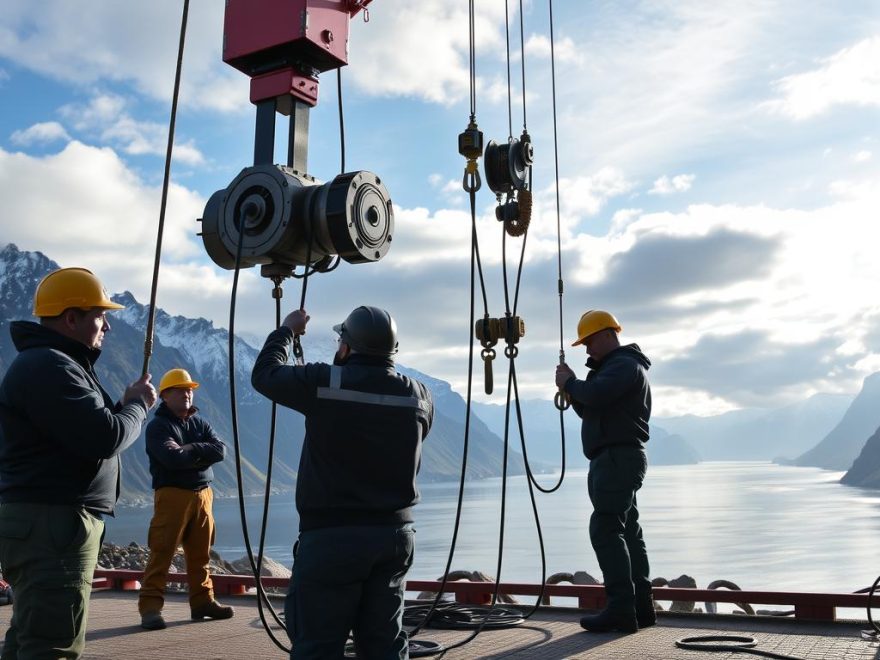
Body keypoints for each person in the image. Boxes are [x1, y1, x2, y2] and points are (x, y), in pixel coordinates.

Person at [251, 305, 433, 660]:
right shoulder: (420, 395)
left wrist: (287, 330)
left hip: (332, 538)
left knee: (318, 646)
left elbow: (265, 374)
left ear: (346, 348)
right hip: (395, 538)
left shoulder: (325, 382)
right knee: (385, 645)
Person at [0, 267, 157, 659]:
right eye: (99, 316)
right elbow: (105, 437)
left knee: (29, 637)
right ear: (71, 318)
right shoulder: (51, 367)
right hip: (55, 527)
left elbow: (88, 432)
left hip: (46, 523)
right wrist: (137, 405)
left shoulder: (50, 364)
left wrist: (124, 408)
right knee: (53, 645)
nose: (107, 327)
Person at [555, 309, 654, 634]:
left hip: (616, 459)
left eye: (590, 341)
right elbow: (591, 406)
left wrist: (571, 382)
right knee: (627, 530)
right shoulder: (617, 368)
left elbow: (596, 395)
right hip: (620, 458)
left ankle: (621, 610)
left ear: (608, 334)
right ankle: (640, 607)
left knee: (605, 528)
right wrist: (573, 388)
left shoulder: (623, 366)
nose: (586, 349)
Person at [138, 368, 233, 630]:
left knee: (201, 553)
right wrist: (201, 455)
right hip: (172, 495)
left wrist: (190, 450)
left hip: (203, 495)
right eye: (181, 389)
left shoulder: (199, 422)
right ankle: (150, 608)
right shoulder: (158, 427)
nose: (188, 393)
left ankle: (202, 602)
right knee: (162, 552)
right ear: (166, 395)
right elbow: (173, 458)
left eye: (190, 389)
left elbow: (221, 451)